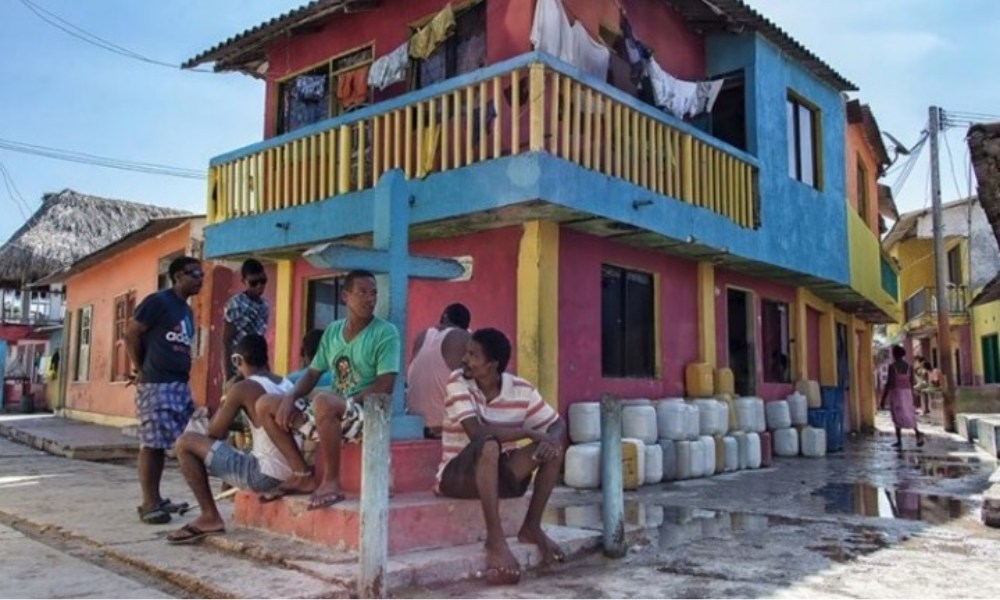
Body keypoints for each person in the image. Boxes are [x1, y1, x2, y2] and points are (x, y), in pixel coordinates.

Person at [256, 270, 400, 509]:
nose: (369, 299)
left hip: (368, 415)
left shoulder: (385, 332)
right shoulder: (333, 331)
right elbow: (312, 373)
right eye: (362, 292)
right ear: (345, 296)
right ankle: (302, 474)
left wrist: (347, 403)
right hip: (332, 417)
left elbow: (386, 384)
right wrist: (290, 396)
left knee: (324, 401)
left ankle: (331, 481)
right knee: (266, 404)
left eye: (373, 293)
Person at [436, 328, 566, 586]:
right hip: (456, 475)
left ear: (493, 365)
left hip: (496, 474)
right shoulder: (458, 381)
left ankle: (532, 527)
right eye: (466, 352)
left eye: (473, 355)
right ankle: (495, 540)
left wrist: (550, 440)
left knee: (553, 452)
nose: (464, 359)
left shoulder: (522, 390)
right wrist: (528, 431)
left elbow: (557, 423)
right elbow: (477, 433)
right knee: (488, 445)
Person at [165, 334, 309, 544]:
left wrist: (228, 395)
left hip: (266, 476)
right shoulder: (285, 383)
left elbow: (215, 433)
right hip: (291, 470)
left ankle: (209, 516)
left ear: (238, 360)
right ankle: (215, 508)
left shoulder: (243, 387)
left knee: (185, 443)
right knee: (242, 449)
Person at [124, 256, 203, 524]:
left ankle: (158, 500)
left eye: (201, 274)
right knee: (152, 443)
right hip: (156, 383)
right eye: (194, 274)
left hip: (179, 384)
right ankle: (149, 504)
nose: (200, 279)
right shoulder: (157, 302)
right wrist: (141, 368)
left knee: (184, 441)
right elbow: (132, 333)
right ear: (178, 276)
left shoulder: (186, 311)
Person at [406, 303, 471, 438]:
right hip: (444, 429)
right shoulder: (464, 338)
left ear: (445, 316)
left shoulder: (422, 336)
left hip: (416, 426)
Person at [221, 259, 270, 385]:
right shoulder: (237, 303)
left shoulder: (264, 305)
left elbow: (260, 339)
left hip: (258, 366)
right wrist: (229, 375)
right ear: (244, 282)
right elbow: (226, 340)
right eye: (254, 283)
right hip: (239, 366)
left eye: (263, 281)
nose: (260, 286)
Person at [880, 345, 925, 449]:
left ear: (895, 354)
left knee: (897, 415)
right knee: (909, 413)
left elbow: (889, 383)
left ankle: (899, 440)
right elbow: (912, 382)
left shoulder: (892, 367)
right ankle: (917, 433)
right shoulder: (909, 367)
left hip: (897, 393)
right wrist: (913, 396)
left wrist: (883, 398)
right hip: (907, 393)